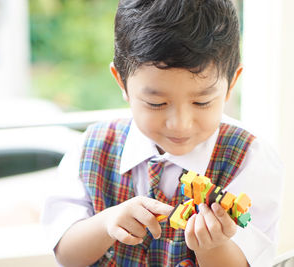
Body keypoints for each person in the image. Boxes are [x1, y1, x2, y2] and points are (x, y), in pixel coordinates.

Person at [42, 0, 284, 266]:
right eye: (157, 103)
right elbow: (66, 254)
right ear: (121, 81)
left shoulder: (250, 159)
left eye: (201, 102)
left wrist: (213, 247)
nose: (180, 124)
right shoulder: (91, 149)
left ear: (230, 85)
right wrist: (107, 223)